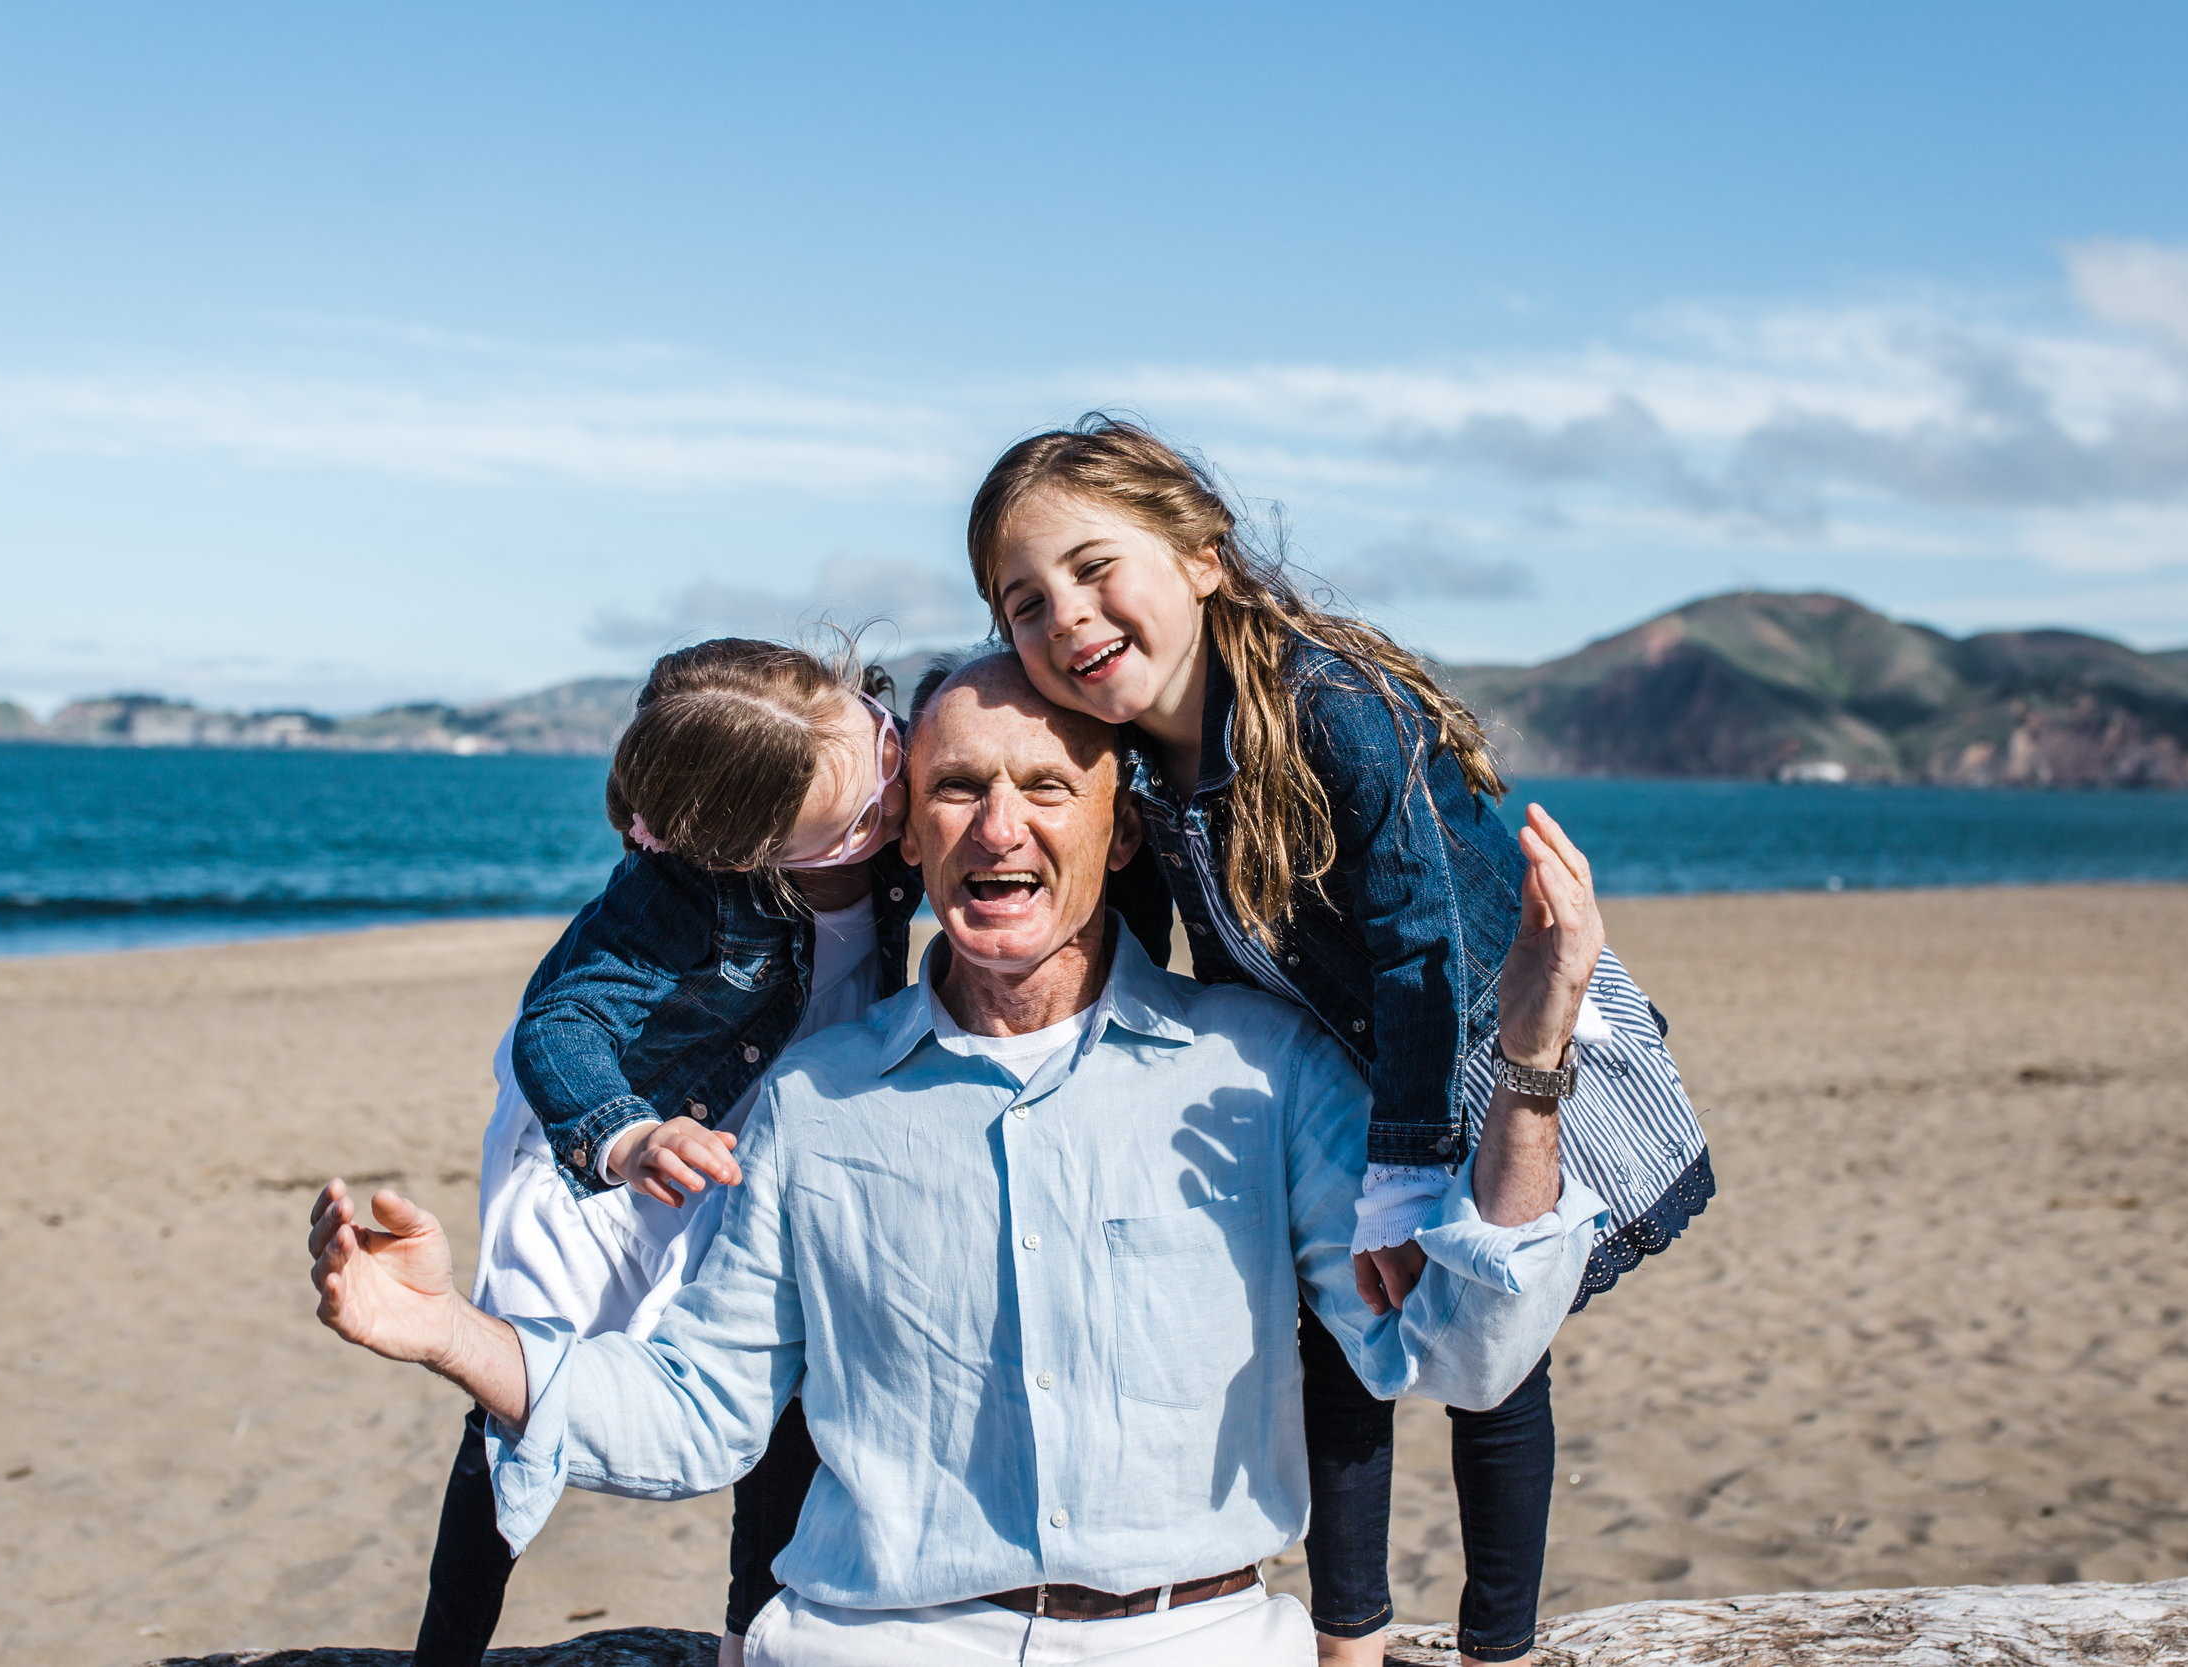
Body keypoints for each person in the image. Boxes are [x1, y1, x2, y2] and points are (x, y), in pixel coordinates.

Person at [309, 653, 1612, 1666]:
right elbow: (697, 1412)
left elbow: (1464, 1351)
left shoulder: (1266, 1072)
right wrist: (445, 1330)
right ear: (905, 838)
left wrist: (1533, 1056)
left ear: (1124, 825)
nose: (1001, 828)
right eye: (955, 788)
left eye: (1047, 785)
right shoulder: (809, 1106)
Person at [966, 415, 1712, 1665]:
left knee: (1497, 1340)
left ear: (1202, 553)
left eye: (1098, 568)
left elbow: (1422, 944)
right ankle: (1348, 1638)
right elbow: (1140, 945)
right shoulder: (1141, 766)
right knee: (1331, 1337)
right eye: (1026, 603)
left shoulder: (1330, 710)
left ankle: (1496, 1643)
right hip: (1338, 1066)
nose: (1070, 617)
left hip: (1473, 1037)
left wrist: (1407, 1172)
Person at [420, 637, 921, 1667]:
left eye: (881, 747)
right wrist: (627, 1135)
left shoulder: (886, 760)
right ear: (752, 852)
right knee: (524, 1391)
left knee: (789, 1381)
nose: (896, 795)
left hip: (761, 1134)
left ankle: (748, 1639)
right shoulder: (679, 892)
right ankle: (448, 1647)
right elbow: (560, 1023)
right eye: (863, 817)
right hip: (618, 1134)